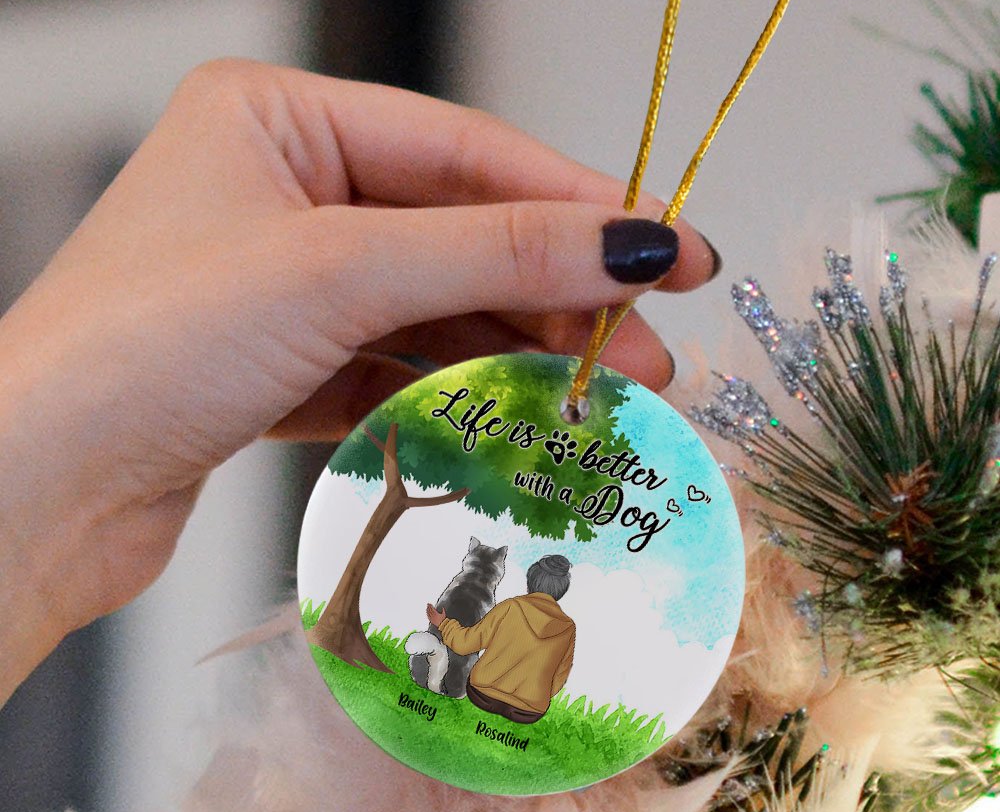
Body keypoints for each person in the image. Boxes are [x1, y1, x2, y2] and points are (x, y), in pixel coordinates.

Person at [0, 59, 721, 709]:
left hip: (480, 691)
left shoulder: (505, 607)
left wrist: (40, 495)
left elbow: (470, 642)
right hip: (527, 711)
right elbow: (561, 679)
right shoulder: (564, 630)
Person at [426, 554, 575, 724]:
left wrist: (443, 624)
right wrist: (536, 696)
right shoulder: (568, 627)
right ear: (562, 589)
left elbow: (466, 643)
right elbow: (561, 674)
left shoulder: (511, 606)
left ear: (531, 581)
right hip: (529, 711)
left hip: (483, 695)